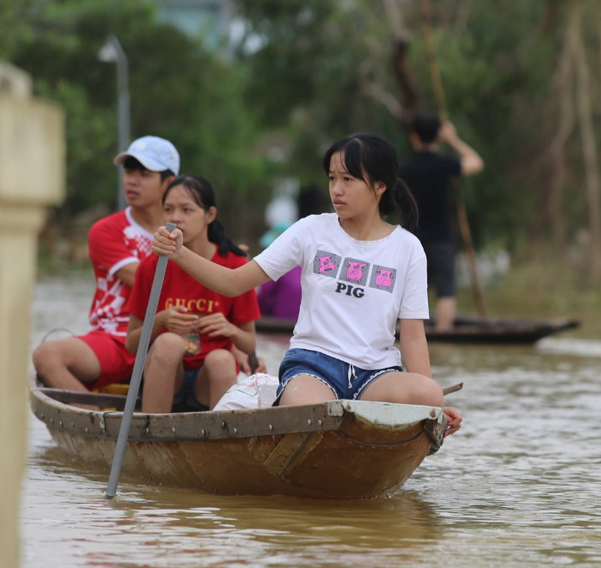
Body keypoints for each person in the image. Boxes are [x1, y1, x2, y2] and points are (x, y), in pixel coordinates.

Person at [150, 132, 462, 435]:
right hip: (313, 367)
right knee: (311, 413)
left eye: (348, 180)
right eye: (332, 178)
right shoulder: (311, 230)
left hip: (375, 374)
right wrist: (179, 254)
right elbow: (234, 283)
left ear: (380, 186)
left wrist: (430, 415)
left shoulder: (407, 248)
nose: (336, 190)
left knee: (429, 394)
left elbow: (413, 337)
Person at [32, 135, 179, 392]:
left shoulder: (187, 229)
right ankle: (92, 423)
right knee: (46, 356)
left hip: (170, 337)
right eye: (129, 171)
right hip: (117, 338)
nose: (132, 180)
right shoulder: (106, 230)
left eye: (144, 174)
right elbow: (147, 283)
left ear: (169, 183)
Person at [127, 175, 260, 413]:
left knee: (222, 358)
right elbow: (131, 344)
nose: (176, 217)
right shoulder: (152, 266)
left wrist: (230, 329)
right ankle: (152, 434)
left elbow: (249, 343)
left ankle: (221, 442)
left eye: (187, 210)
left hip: (208, 382)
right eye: (168, 209)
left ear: (209, 215)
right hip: (166, 376)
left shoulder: (235, 264)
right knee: (168, 343)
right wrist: (160, 321)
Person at [399, 113, 483, 331]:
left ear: (414, 137)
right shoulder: (444, 165)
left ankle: (412, 334)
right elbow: (476, 162)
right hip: (441, 238)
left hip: (411, 238)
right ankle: (444, 335)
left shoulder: (405, 169)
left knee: (413, 290)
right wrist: (452, 139)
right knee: (446, 290)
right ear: (437, 136)